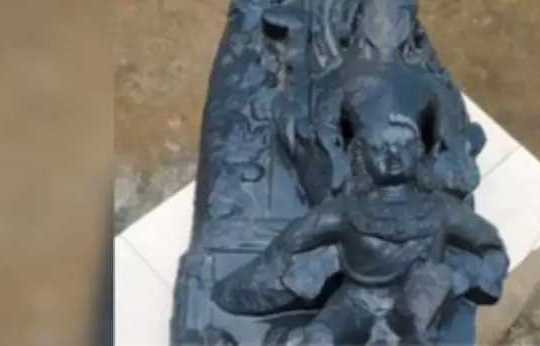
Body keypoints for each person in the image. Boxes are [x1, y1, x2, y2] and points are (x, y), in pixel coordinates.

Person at [212, 115, 508, 345]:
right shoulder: (348, 209)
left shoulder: (439, 209)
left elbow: (489, 244)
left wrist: (464, 278)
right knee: (317, 338)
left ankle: (406, 330)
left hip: (414, 302)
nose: (393, 156)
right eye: (381, 148)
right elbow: (294, 238)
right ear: (363, 155)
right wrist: (268, 278)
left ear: (418, 152)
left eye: (403, 147)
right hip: (355, 301)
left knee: (422, 305)